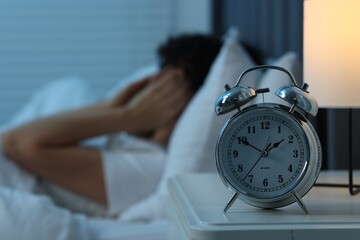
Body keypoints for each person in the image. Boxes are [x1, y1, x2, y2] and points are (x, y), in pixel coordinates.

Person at [0, 33, 222, 216]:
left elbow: (15, 142)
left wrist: (130, 116)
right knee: (71, 87)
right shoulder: (133, 140)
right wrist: (110, 107)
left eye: (163, 82)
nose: (150, 87)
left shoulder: (150, 169)